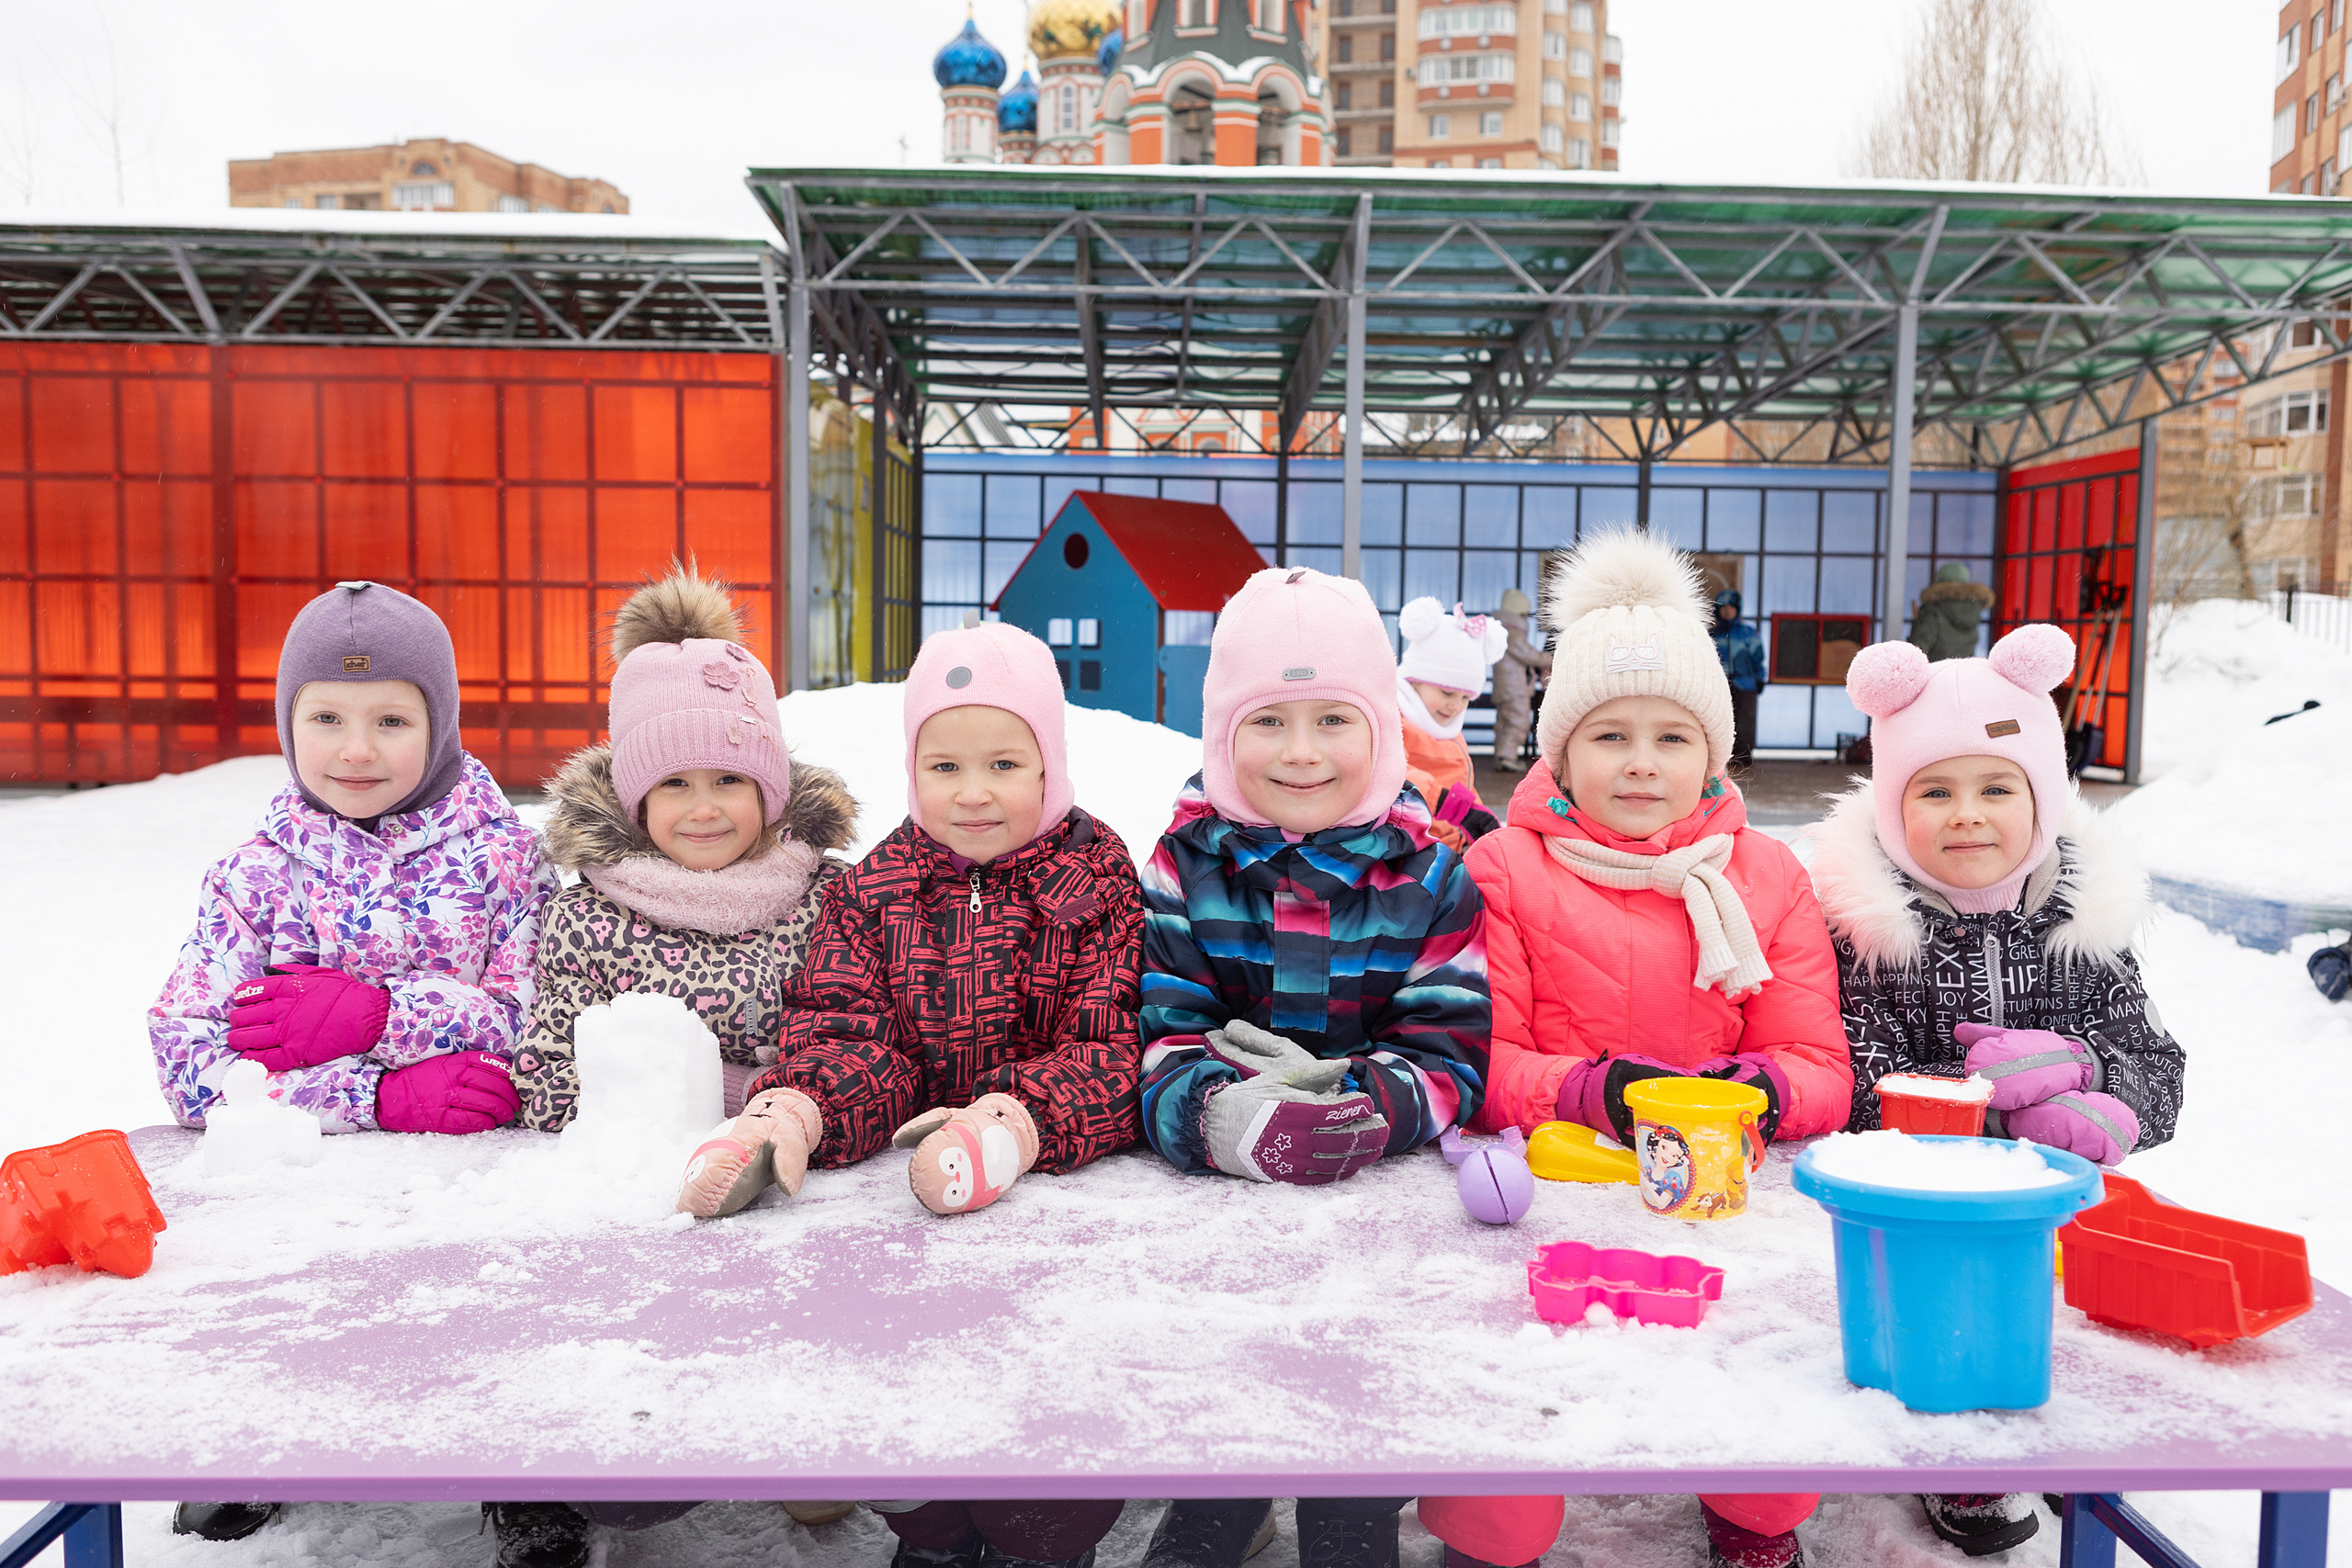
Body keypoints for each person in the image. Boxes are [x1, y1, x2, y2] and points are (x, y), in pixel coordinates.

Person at [1451, 529, 1849, 1568]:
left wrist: (1751, 1094)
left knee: (1763, 1393)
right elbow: (1475, 1058)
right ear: (1559, 752)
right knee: (1507, 1425)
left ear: (1711, 754)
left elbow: (1817, 1061)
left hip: (1720, 1188)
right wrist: (1594, 1091)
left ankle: (1753, 1514)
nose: (1640, 761)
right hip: (1551, 1179)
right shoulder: (1504, 867)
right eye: (1609, 734)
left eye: (1672, 736)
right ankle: (1493, 1529)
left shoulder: (1765, 874)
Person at [148, 581, 557, 1549]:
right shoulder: (253, 877)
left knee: (505, 1310)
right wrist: (370, 1093)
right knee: (283, 1303)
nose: (357, 749)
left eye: (391, 720)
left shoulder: (511, 863)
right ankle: (266, 1444)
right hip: (307, 1176)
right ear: (288, 725)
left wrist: (380, 1012)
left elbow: (534, 1022)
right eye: (326, 717)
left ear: (440, 724)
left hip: (478, 1175)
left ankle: (534, 1478)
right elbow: (189, 1056)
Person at [741, 618, 1145, 1568]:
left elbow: (1111, 1047)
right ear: (912, 767)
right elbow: (847, 1032)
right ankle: (928, 1534)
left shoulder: (1097, 880)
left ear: (1049, 764)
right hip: (906, 1211)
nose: (972, 792)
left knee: (1046, 1420)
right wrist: (803, 1106)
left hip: (1054, 1204)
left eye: (1004, 764)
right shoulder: (873, 891)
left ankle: (1044, 1540)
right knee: (890, 1393)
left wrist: (1013, 1122)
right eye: (945, 765)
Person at [1135, 566, 1491, 1568]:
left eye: (1334, 719)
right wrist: (1219, 1116)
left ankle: (1353, 1507)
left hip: (1379, 1186)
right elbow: (1162, 1029)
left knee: (1366, 1350)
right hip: (1222, 1182)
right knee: (1217, 1335)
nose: (1301, 751)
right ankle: (1221, 1492)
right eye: (1268, 721)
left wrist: (1362, 1109)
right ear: (1222, 733)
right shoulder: (1183, 868)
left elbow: (1448, 1048)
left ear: (1381, 727)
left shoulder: (1431, 876)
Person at [1808, 626, 2186, 1559]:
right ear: (1894, 806)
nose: (1967, 815)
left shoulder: (2083, 924)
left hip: (2065, 1208)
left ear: (2042, 796)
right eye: (1934, 791)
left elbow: (2159, 1066)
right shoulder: (1864, 932)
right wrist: (1990, 1100)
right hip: (1921, 1216)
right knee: (1949, 1316)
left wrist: (2093, 1081)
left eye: (1997, 788)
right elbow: (1857, 1089)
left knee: (2074, 1326)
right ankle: (1961, 1444)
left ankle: (2048, 1421)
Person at [510, 566, 860, 1169]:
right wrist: (711, 1092)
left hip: (799, 1172)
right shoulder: (588, 919)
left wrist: (758, 1102)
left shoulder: (828, 898)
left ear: (769, 794)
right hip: (637, 1180)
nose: (703, 809)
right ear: (638, 801)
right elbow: (546, 1080)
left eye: (729, 780)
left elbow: (860, 1048)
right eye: (674, 783)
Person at [1396, 595, 1510, 851]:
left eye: (1465, 697)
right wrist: (1452, 806)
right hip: (1412, 850)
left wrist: (1477, 815)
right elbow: (1393, 775)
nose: (1456, 706)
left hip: (1450, 845)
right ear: (1414, 680)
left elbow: (1460, 785)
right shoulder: (1393, 721)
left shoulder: (1446, 728)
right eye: (1447, 693)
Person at [1488, 586, 1551, 773]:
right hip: (1515, 689)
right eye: (1525, 614)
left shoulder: (1501, 633)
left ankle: (1502, 755)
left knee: (1504, 723)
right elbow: (1528, 655)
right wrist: (1550, 658)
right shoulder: (1511, 634)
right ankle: (1507, 757)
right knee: (1517, 722)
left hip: (1505, 688)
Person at [1709, 588, 1764, 768]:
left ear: (1737, 609)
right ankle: (1720, 758)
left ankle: (1743, 757)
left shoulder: (1748, 633)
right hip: (1719, 685)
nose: (1727, 611)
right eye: (1723, 608)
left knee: (1744, 721)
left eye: (1731, 607)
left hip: (1745, 684)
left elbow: (1758, 658)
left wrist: (1760, 678)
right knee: (1720, 721)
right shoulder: (1712, 635)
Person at [1906, 561, 1994, 662]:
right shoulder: (1973, 609)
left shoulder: (1932, 610)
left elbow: (1918, 650)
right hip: (1963, 670)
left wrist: (1917, 626)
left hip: (1936, 670)